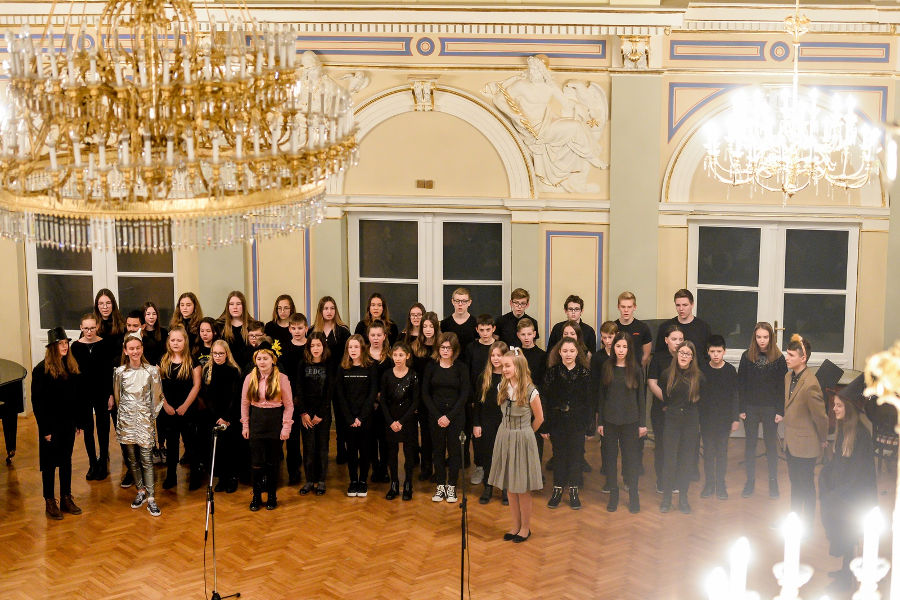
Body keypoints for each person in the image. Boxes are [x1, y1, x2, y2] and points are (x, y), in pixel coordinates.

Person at [819, 382, 877, 591]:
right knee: (845, 533)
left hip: (856, 496)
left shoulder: (861, 435)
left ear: (849, 409)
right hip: (844, 492)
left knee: (850, 534)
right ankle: (845, 570)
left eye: (838, 406)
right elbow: (838, 463)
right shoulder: (844, 429)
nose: (834, 409)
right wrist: (826, 477)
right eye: (834, 405)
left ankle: (848, 576)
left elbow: (859, 473)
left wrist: (838, 493)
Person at [488, 348, 544, 543]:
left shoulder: (530, 391)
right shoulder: (502, 387)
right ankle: (515, 525)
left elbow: (539, 418)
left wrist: (526, 434)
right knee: (510, 487)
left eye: (507, 366)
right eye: (503, 366)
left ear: (518, 367)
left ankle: (526, 528)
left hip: (522, 438)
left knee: (522, 488)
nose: (504, 369)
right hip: (504, 436)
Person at [32, 327, 84, 520]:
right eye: (61, 343)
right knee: (49, 463)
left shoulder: (71, 367)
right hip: (51, 425)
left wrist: (78, 421)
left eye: (66, 343)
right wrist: (45, 429)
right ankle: (49, 501)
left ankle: (65, 497)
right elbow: (37, 402)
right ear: (53, 347)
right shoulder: (41, 370)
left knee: (66, 460)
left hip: (68, 423)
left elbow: (75, 397)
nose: (65, 346)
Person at [113, 332, 164, 517]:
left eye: (137, 348)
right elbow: (118, 397)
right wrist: (125, 416)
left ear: (142, 349)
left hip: (144, 420)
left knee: (147, 459)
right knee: (132, 459)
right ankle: (140, 491)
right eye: (131, 348)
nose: (135, 351)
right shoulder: (119, 372)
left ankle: (151, 498)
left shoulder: (151, 371)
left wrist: (150, 418)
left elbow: (157, 397)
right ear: (125, 351)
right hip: (126, 420)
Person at [737, 322, 788, 499]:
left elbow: (782, 387)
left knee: (770, 445)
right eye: (759, 337)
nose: (762, 341)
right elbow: (741, 384)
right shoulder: (746, 356)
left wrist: (780, 410)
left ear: (771, 338)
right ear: (754, 337)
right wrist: (741, 408)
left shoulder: (779, 359)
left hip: (770, 408)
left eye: (765, 337)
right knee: (750, 444)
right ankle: (750, 481)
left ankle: (773, 481)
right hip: (750, 407)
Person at [597, 332, 646, 513]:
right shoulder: (607, 367)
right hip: (609, 421)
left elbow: (641, 397)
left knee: (630, 459)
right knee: (610, 458)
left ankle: (633, 494)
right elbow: (601, 396)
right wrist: (600, 421)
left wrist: (642, 423)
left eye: (625, 347)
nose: (621, 350)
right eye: (618, 346)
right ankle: (614, 494)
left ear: (629, 349)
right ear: (613, 347)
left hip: (631, 421)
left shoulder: (635, 369)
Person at [241, 343, 294, 511]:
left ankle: (272, 496)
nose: (262, 361)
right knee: (257, 463)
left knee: (272, 463)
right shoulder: (250, 378)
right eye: (259, 358)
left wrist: (286, 428)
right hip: (257, 421)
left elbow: (289, 405)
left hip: (274, 422)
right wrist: (245, 425)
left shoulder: (282, 378)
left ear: (273, 360)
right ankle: (256, 496)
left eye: (265, 358)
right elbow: (244, 403)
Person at [783, 334, 828, 526]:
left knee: (806, 485)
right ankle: (794, 520)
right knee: (795, 484)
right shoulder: (788, 376)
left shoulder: (810, 384)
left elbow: (821, 417)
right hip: (791, 442)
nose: (787, 358)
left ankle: (807, 524)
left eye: (792, 355)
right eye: (787, 354)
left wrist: (823, 439)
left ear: (803, 358)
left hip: (806, 444)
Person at [542, 337, 592, 510]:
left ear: (577, 352)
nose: (568, 354)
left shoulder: (585, 373)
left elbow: (588, 402)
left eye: (572, 351)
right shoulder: (552, 372)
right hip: (557, 421)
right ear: (559, 352)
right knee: (559, 455)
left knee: (576, 456)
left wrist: (589, 425)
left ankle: (573, 490)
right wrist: (545, 425)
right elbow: (546, 400)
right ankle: (557, 489)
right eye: (565, 351)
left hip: (577, 422)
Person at [422, 332, 469, 503]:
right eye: (442, 347)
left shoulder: (461, 367)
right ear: (438, 348)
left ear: (454, 349)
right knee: (438, 451)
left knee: (455, 452)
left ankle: (451, 486)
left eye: (449, 347)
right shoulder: (431, 366)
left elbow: (464, 394)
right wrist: (438, 415)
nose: (445, 350)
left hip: (455, 416)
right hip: (435, 416)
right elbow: (425, 393)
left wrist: (449, 416)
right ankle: (440, 485)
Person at [70, 313, 115, 482]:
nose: (89, 331)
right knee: (88, 429)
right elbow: (74, 374)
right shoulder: (75, 347)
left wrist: (110, 394)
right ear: (81, 328)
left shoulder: (104, 344)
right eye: (86, 328)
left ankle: (103, 461)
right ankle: (92, 463)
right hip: (83, 394)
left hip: (102, 392)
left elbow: (108, 372)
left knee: (103, 428)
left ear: (97, 327)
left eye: (92, 328)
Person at [159, 326, 203, 491]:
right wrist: (166, 405)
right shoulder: (163, 360)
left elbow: (196, 386)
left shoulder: (192, 361)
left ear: (185, 341)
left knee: (191, 444)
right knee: (171, 445)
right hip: (168, 410)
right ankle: (171, 476)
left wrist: (185, 406)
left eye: (179, 340)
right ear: (168, 342)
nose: (175, 343)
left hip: (187, 410)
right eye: (173, 340)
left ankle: (195, 476)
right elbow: (157, 387)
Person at [659, 341, 701, 514]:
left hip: (690, 422)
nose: (684, 356)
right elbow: (666, 398)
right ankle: (667, 498)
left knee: (686, 461)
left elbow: (700, 400)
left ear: (692, 358)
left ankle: (683, 498)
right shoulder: (666, 374)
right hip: (672, 421)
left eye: (688, 354)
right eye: (681, 353)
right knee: (669, 461)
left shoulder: (699, 377)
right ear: (676, 355)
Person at [335, 334, 378, 498]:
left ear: (362, 349)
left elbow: (372, 393)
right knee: (351, 451)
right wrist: (350, 418)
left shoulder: (370, 367)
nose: (353, 350)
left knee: (365, 450)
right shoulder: (342, 368)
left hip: (365, 417)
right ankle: (353, 481)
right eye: (350, 347)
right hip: (348, 418)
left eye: (356, 347)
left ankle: (363, 481)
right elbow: (340, 395)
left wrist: (361, 417)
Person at [310, 295, 351, 463]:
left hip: (339, 379)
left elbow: (347, 356)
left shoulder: (343, 331)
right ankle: (320, 454)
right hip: (318, 381)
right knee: (321, 416)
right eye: (326, 308)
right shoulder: (312, 331)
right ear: (320, 311)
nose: (329, 311)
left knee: (341, 418)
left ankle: (342, 451)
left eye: (332, 308)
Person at [699, 335, 739, 500]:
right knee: (708, 452)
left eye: (719, 351)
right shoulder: (702, 369)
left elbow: (735, 395)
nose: (716, 354)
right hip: (707, 419)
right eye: (712, 351)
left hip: (724, 419)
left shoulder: (730, 370)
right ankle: (709, 484)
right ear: (708, 352)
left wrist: (735, 418)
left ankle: (721, 484)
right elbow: (698, 395)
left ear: (724, 351)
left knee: (722, 452)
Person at [201, 340, 243, 494]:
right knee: (216, 449)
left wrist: (226, 417)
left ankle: (232, 478)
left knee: (230, 448)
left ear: (227, 354)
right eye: (215, 353)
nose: (217, 356)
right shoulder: (208, 370)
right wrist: (216, 416)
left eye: (221, 353)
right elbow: (206, 396)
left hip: (230, 417)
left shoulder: (234, 371)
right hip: (213, 416)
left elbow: (235, 397)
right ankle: (222, 478)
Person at [380, 342, 420, 501]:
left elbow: (415, 401)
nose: (398, 358)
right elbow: (383, 400)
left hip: (407, 420)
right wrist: (391, 421)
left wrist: (402, 421)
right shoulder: (387, 375)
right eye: (395, 355)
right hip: (391, 419)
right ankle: (394, 483)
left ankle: (408, 483)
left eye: (401, 355)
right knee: (392, 453)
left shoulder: (413, 375)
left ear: (407, 356)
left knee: (409, 453)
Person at [647, 324, 683, 493]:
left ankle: (676, 479)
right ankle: (661, 480)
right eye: (674, 339)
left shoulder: (687, 357)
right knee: (661, 445)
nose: (678, 342)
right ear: (666, 340)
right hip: (661, 409)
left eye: (681, 339)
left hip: (681, 411)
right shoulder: (658, 358)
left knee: (678, 445)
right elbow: (652, 383)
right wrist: (668, 401)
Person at [297, 332, 331, 496]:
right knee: (309, 447)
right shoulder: (302, 364)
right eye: (312, 345)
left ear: (323, 346)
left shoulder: (329, 364)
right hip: (306, 414)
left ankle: (322, 480)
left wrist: (320, 414)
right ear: (308, 347)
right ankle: (310, 480)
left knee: (322, 447)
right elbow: (299, 390)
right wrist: (303, 413)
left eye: (318, 345)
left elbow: (329, 392)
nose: (315, 348)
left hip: (322, 414)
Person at [474, 341, 508, 504]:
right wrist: (476, 424)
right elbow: (477, 403)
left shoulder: (510, 375)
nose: (495, 359)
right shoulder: (484, 376)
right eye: (493, 355)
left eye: (499, 356)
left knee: (505, 455)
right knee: (488, 454)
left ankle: (505, 489)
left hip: (505, 421)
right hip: (487, 420)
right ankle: (488, 485)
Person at [465, 314, 497, 484]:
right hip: (476, 398)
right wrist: (470, 397)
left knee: (495, 435)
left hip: (495, 397)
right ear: (477, 330)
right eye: (482, 330)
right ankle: (479, 466)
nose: (485, 333)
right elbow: (468, 373)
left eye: (488, 330)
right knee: (477, 433)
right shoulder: (471, 348)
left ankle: (495, 468)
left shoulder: (499, 348)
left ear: (493, 329)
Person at [279, 312, 308, 486]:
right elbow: (283, 376)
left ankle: (312, 471)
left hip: (306, 398)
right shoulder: (284, 349)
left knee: (309, 438)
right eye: (294, 328)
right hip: (289, 399)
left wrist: (302, 397)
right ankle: (294, 471)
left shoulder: (311, 347)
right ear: (289, 329)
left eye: (300, 328)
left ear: (306, 328)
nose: (297, 331)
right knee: (292, 439)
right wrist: (289, 397)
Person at [413, 311, 440, 481]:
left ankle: (438, 468)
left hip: (438, 397)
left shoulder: (442, 346)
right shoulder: (415, 347)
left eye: (431, 326)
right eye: (425, 326)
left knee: (437, 434)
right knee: (425, 432)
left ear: (436, 327)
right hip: (422, 397)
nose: (428, 329)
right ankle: (426, 466)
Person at [517, 318, 547, 463]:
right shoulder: (515, 354)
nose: (526, 338)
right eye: (523, 334)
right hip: (518, 401)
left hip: (535, 400)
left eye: (529, 334)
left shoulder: (542, 355)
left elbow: (543, 382)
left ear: (534, 334)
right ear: (518, 335)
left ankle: (536, 471)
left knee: (535, 437)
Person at [654, 289, 712, 360]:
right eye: (678, 305)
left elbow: (708, 356)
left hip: (697, 369)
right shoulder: (665, 327)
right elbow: (657, 356)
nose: (681, 309)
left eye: (685, 305)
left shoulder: (703, 327)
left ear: (692, 304)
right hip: (671, 369)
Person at [614, 291, 652, 367]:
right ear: (618, 307)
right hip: (616, 370)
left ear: (634, 307)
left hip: (635, 371)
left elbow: (646, 356)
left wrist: (637, 369)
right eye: (623, 307)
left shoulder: (643, 327)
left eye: (629, 307)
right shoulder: (613, 327)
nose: (626, 310)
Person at [218, 291, 251, 368]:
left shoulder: (252, 325)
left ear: (243, 306)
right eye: (231, 304)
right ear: (228, 307)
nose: (235, 307)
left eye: (238, 304)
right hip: (226, 369)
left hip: (248, 369)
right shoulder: (219, 325)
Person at [141, 301, 167, 366]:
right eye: (148, 314)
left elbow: (166, 353)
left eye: (154, 314)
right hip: (144, 368)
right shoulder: (140, 333)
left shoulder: (163, 332)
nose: (151, 317)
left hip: (160, 368)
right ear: (143, 316)